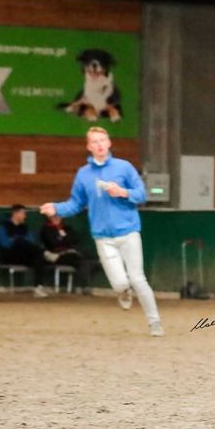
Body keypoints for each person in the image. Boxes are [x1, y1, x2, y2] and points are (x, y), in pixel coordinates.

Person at [40, 126, 164, 336]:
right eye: (94, 142)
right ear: (89, 147)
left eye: (102, 140)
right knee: (119, 282)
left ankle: (155, 322)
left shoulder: (124, 168)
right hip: (103, 237)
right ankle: (123, 292)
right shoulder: (83, 174)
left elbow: (141, 194)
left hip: (128, 231)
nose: (99, 145)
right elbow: (76, 203)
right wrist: (56, 208)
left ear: (109, 143)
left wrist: (122, 192)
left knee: (137, 278)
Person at [0, 204, 49, 297]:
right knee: (21, 241)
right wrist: (17, 239)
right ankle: (46, 253)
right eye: (23, 214)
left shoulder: (24, 227)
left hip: (23, 255)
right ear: (15, 214)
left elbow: (31, 241)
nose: (25, 216)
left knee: (38, 256)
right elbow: (4, 243)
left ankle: (38, 287)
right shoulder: (3, 226)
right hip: (9, 255)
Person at [40, 213, 94, 294]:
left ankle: (82, 286)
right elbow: (52, 243)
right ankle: (82, 286)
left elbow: (74, 240)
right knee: (78, 260)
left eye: (58, 216)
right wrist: (64, 239)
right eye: (54, 216)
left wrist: (62, 239)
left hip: (71, 253)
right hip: (56, 256)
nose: (57, 218)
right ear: (49, 217)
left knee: (85, 260)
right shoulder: (46, 229)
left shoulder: (67, 228)